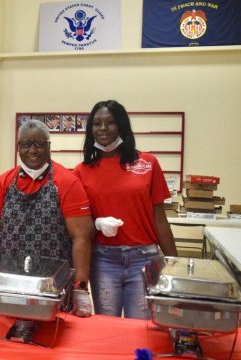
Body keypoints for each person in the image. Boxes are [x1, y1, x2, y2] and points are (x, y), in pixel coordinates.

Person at [0, 120, 94, 318]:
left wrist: (80, 287)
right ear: (18, 148)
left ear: (48, 147)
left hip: (53, 284)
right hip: (9, 280)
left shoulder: (67, 181)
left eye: (39, 144)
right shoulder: (5, 181)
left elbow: (81, 237)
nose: (32, 150)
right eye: (26, 145)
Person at [73, 100, 177, 319]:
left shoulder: (148, 163)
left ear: (122, 125)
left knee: (139, 328)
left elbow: (160, 218)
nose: (103, 128)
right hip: (103, 259)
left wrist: (173, 262)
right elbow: (79, 227)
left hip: (144, 258)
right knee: (108, 327)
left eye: (110, 122)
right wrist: (97, 224)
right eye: (96, 123)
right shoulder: (82, 171)